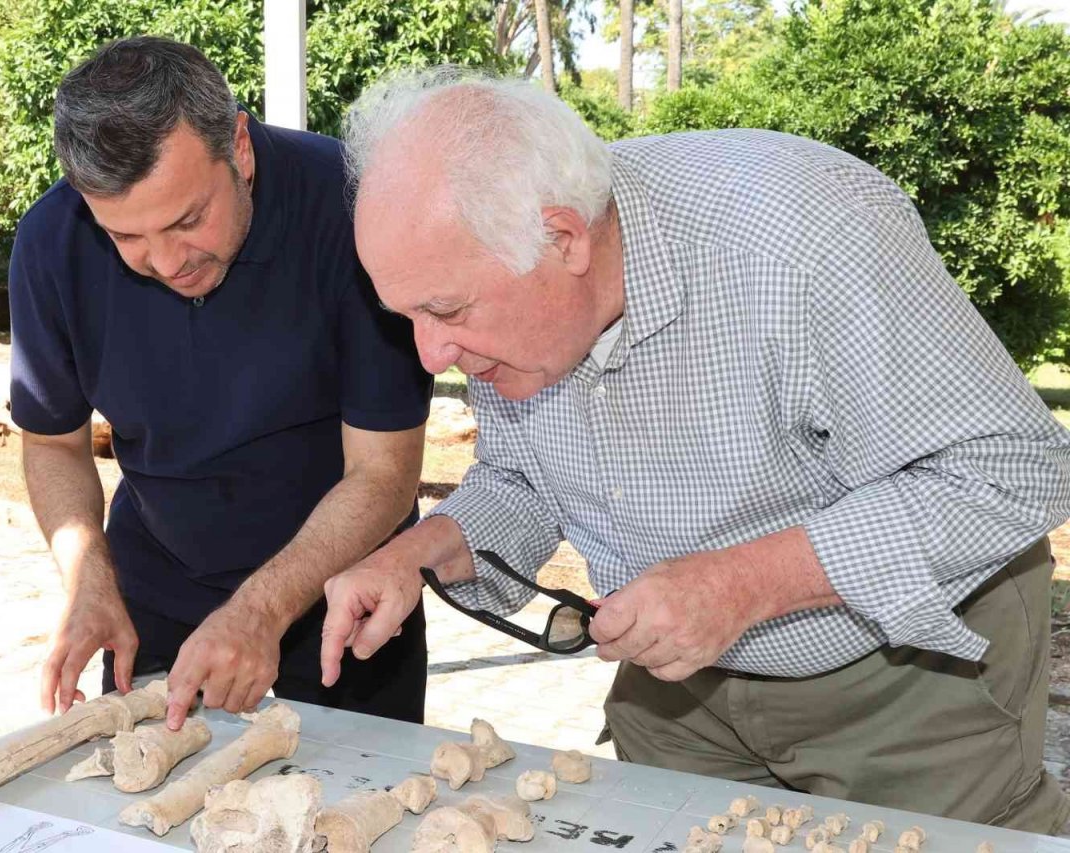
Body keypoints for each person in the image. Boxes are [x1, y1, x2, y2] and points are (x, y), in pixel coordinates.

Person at [320, 68, 1070, 833]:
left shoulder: (810, 234)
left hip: (902, 672)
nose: (428, 352)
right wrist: (419, 552)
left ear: (565, 238)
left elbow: (1011, 467)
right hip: (678, 690)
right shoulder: (510, 285)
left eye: (444, 310)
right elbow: (520, 478)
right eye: (405, 315)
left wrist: (741, 583)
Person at [8, 36, 432, 731]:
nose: (167, 261)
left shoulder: (354, 207)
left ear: (237, 145)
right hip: (156, 595)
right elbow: (53, 443)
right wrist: (88, 580)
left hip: (343, 603)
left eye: (187, 220)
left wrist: (261, 610)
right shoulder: (52, 242)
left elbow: (385, 472)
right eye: (128, 238)